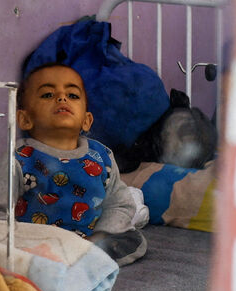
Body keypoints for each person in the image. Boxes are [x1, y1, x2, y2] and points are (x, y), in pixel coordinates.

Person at [11, 62, 149, 266]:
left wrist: (97, 238)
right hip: (36, 244)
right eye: (48, 94)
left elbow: (118, 204)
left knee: (132, 240)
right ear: (25, 119)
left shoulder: (101, 156)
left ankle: (89, 255)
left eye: (73, 95)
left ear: (86, 120)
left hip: (90, 241)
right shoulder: (20, 158)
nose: (61, 97)